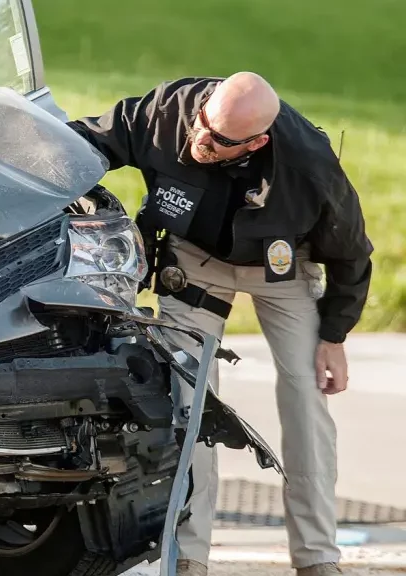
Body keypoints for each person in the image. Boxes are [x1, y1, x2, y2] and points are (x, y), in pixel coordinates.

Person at [66, 72, 373, 576]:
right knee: (191, 407)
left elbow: (352, 253)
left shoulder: (309, 167)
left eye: (219, 141)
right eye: (203, 125)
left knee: (304, 403)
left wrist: (334, 335)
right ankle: (188, 556)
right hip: (195, 259)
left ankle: (317, 558)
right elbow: (85, 141)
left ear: (257, 142)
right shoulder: (170, 112)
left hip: (282, 267)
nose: (200, 142)